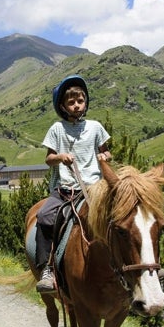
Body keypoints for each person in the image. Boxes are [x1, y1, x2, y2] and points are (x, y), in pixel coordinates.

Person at [34, 75, 112, 293]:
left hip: (95, 188)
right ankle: (47, 269)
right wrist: (60, 157)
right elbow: (48, 159)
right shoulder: (56, 129)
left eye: (80, 101)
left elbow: (106, 150)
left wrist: (105, 156)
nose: (77, 105)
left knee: (121, 217)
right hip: (66, 189)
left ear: (86, 102)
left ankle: (131, 268)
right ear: (62, 106)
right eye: (71, 102)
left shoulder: (96, 127)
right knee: (44, 217)